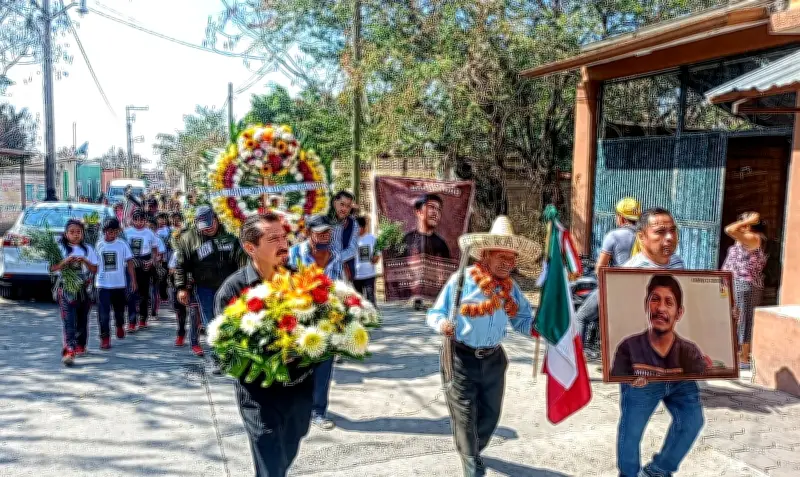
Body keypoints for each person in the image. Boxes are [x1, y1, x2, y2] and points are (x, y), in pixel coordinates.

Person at [427, 216, 536, 477]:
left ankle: (473, 452)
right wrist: (442, 324)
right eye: (502, 256)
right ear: (485, 255)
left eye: (512, 259)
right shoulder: (461, 280)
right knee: (464, 417)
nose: (508, 263)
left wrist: (541, 328)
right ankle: (472, 466)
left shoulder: (511, 289)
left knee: (489, 417)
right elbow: (434, 313)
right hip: (460, 358)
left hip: (494, 360)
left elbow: (523, 320)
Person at [215, 212, 316, 477]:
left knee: (286, 451)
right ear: (251, 248)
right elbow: (226, 352)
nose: (284, 244)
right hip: (260, 395)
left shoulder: (301, 282)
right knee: (271, 462)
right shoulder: (233, 291)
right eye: (273, 239)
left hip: (299, 389)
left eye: (284, 237)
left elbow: (322, 325)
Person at [615, 207, 704, 477]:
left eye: (672, 230)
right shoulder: (628, 272)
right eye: (660, 231)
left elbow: (690, 307)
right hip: (643, 372)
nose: (669, 238)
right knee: (632, 431)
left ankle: (658, 471)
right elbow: (617, 321)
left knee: (692, 421)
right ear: (642, 237)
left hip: (679, 368)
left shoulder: (678, 264)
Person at [288, 214, 342, 431]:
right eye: (320, 232)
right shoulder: (295, 254)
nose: (325, 235)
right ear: (308, 233)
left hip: (326, 317)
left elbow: (338, 285)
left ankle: (319, 411)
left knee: (324, 364)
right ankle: (297, 408)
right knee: (300, 364)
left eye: (327, 231)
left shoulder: (335, 255)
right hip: (300, 316)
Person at [174, 205, 245, 366]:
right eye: (204, 227)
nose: (208, 229)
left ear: (216, 218)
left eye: (210, 225)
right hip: (204, 287)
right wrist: (181, 287)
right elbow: (180, 265)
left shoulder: (231, 233)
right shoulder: (188, 239)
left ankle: (234, 355)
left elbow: (241, 259)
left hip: (230, 286)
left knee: (232, 320)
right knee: (211, 323)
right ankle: (217, 359)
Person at [611, 274, 708, 378]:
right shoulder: (628, 348)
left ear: (679, 313)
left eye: (669, 302)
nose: (661, 308)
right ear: (646, 305)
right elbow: (626, 389)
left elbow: (692, 391)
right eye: (655, 299)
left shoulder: (690, 352)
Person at [577, 197, 640, 351]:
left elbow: (600, 268)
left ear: (621, 217)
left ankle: (576, 362)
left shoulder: (614, 236)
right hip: (640, 289)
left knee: (581, 317)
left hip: (617, 287)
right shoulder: (646, 236)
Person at [722, 212, 767, 367]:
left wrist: (747, 221)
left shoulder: (753, 238)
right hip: (734, 282)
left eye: (745, 221)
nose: (741, 223)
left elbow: (729, 229)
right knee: (735, 317)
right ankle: (736, 353)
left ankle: (744, 356)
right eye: (741, 220)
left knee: (743, 318)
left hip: (745, 284)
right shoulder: (740, 239)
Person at [51, 219, 99, 366]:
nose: (75, 235)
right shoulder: (60, 249)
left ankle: (80, 345)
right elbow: (52, 268)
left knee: (82, 318)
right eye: (72, 232)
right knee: (68, 320)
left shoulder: (88, 250)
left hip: (84, 289)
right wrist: (65, 262)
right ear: (66, 234)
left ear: (83, 234)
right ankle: (69, 349)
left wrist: (84, 261)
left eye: (78, 232)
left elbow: (95, 269)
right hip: (65, 288)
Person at [95, 217, 136, 348]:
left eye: (113, 231)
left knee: (119, 311)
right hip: (102, 284)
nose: (110, 234)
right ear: (104, 231)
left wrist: (133, 280)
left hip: (119, 284)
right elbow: (94, 263)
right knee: (103, 313)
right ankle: (105, 337)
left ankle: (119, 325)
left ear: (118, 231)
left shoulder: (122, 244)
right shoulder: (99, 245)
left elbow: (129, 262)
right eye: (107, 231)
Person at [123, 209, 159, 332]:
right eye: (136, 219)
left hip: (145, 262)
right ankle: (132, 321)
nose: (139, 222)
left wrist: (152, 261)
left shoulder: (149, 233)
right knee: (131, 292)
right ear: (132, 220)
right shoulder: (126, 232)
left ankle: (143, 319)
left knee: (143, 293)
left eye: (142, 219)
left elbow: (155, 251)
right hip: (131, 262)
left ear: (145, 220)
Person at [399, 193, 451, 259]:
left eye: (439, 210)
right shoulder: (404, 240)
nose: (436, 213)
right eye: (431, 207)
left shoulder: (441, 244)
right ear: (418, 212)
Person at [329, 190, 359, 282]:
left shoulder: (353, 223)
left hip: (342, 272)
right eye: (342, 204)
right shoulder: (323, 220)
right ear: (335, 202)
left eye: (348, 206)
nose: (344, 209)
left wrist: (334, 259)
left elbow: (353, 249)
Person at [353, 216, 379, 306]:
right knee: (358, 301)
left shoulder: (372, 239)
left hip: (369, 275)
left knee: (370, 299)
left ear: (363, 227)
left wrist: (374, 259)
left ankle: (374, 318)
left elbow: (377, 256)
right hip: (355, 276)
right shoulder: (351, 240)